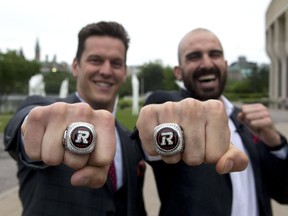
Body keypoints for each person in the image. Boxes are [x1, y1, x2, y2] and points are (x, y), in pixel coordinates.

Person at [139, 28, 288, 216]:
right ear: (178, 72)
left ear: (225, 64)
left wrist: (274, 142)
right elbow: (152, 135)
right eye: (194, 56)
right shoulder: (171, 109)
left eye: (215, 54)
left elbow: (284, 194)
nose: (207, 63)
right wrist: (162, 125)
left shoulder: (247, 121)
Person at [4, 21, 147, 216]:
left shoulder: (129, 140)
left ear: (124, 72)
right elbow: (23, 126)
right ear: (75, 66)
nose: (106, 71)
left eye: (115, 63)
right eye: (95, 60)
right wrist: (30, 125)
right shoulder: (45, 112)